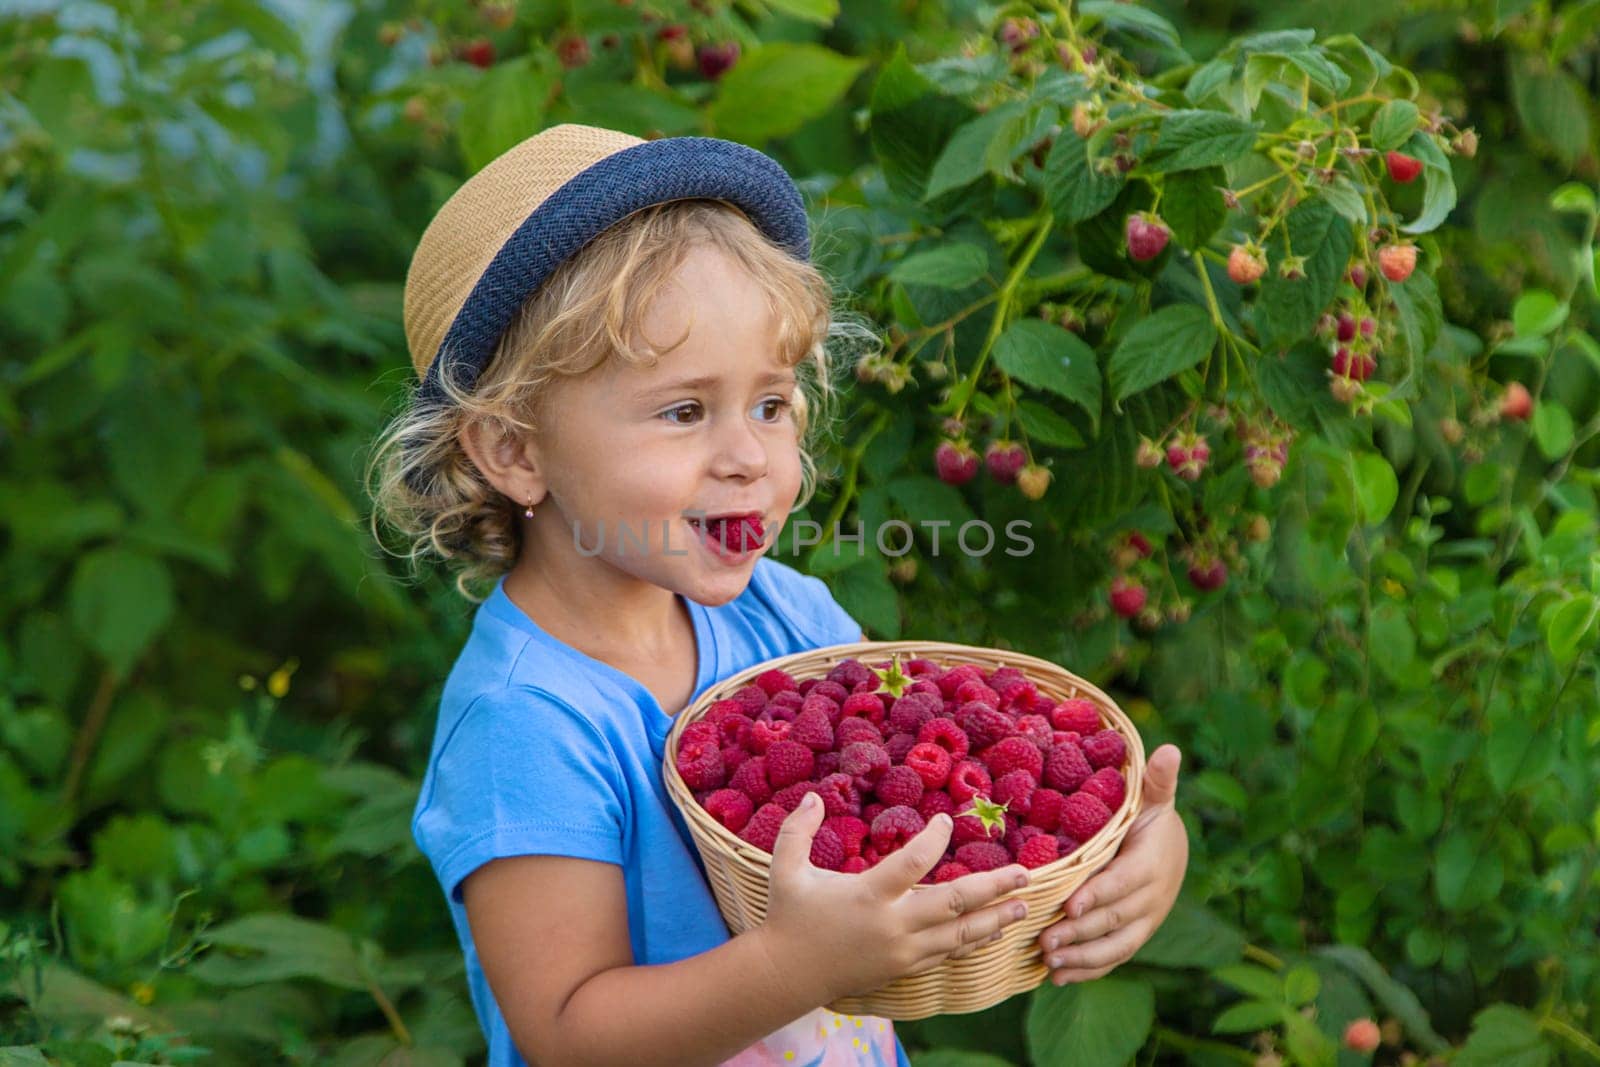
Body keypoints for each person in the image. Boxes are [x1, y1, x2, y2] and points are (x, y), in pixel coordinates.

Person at [368, 123, 1189, 1067]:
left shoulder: (789, 618)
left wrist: (1132, 857)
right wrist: (794, 963)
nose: (750, 456)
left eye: (771, 403)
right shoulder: (526, 721)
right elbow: (568, 1032)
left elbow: (928, 819)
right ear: (514, 449)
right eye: (684, 411)